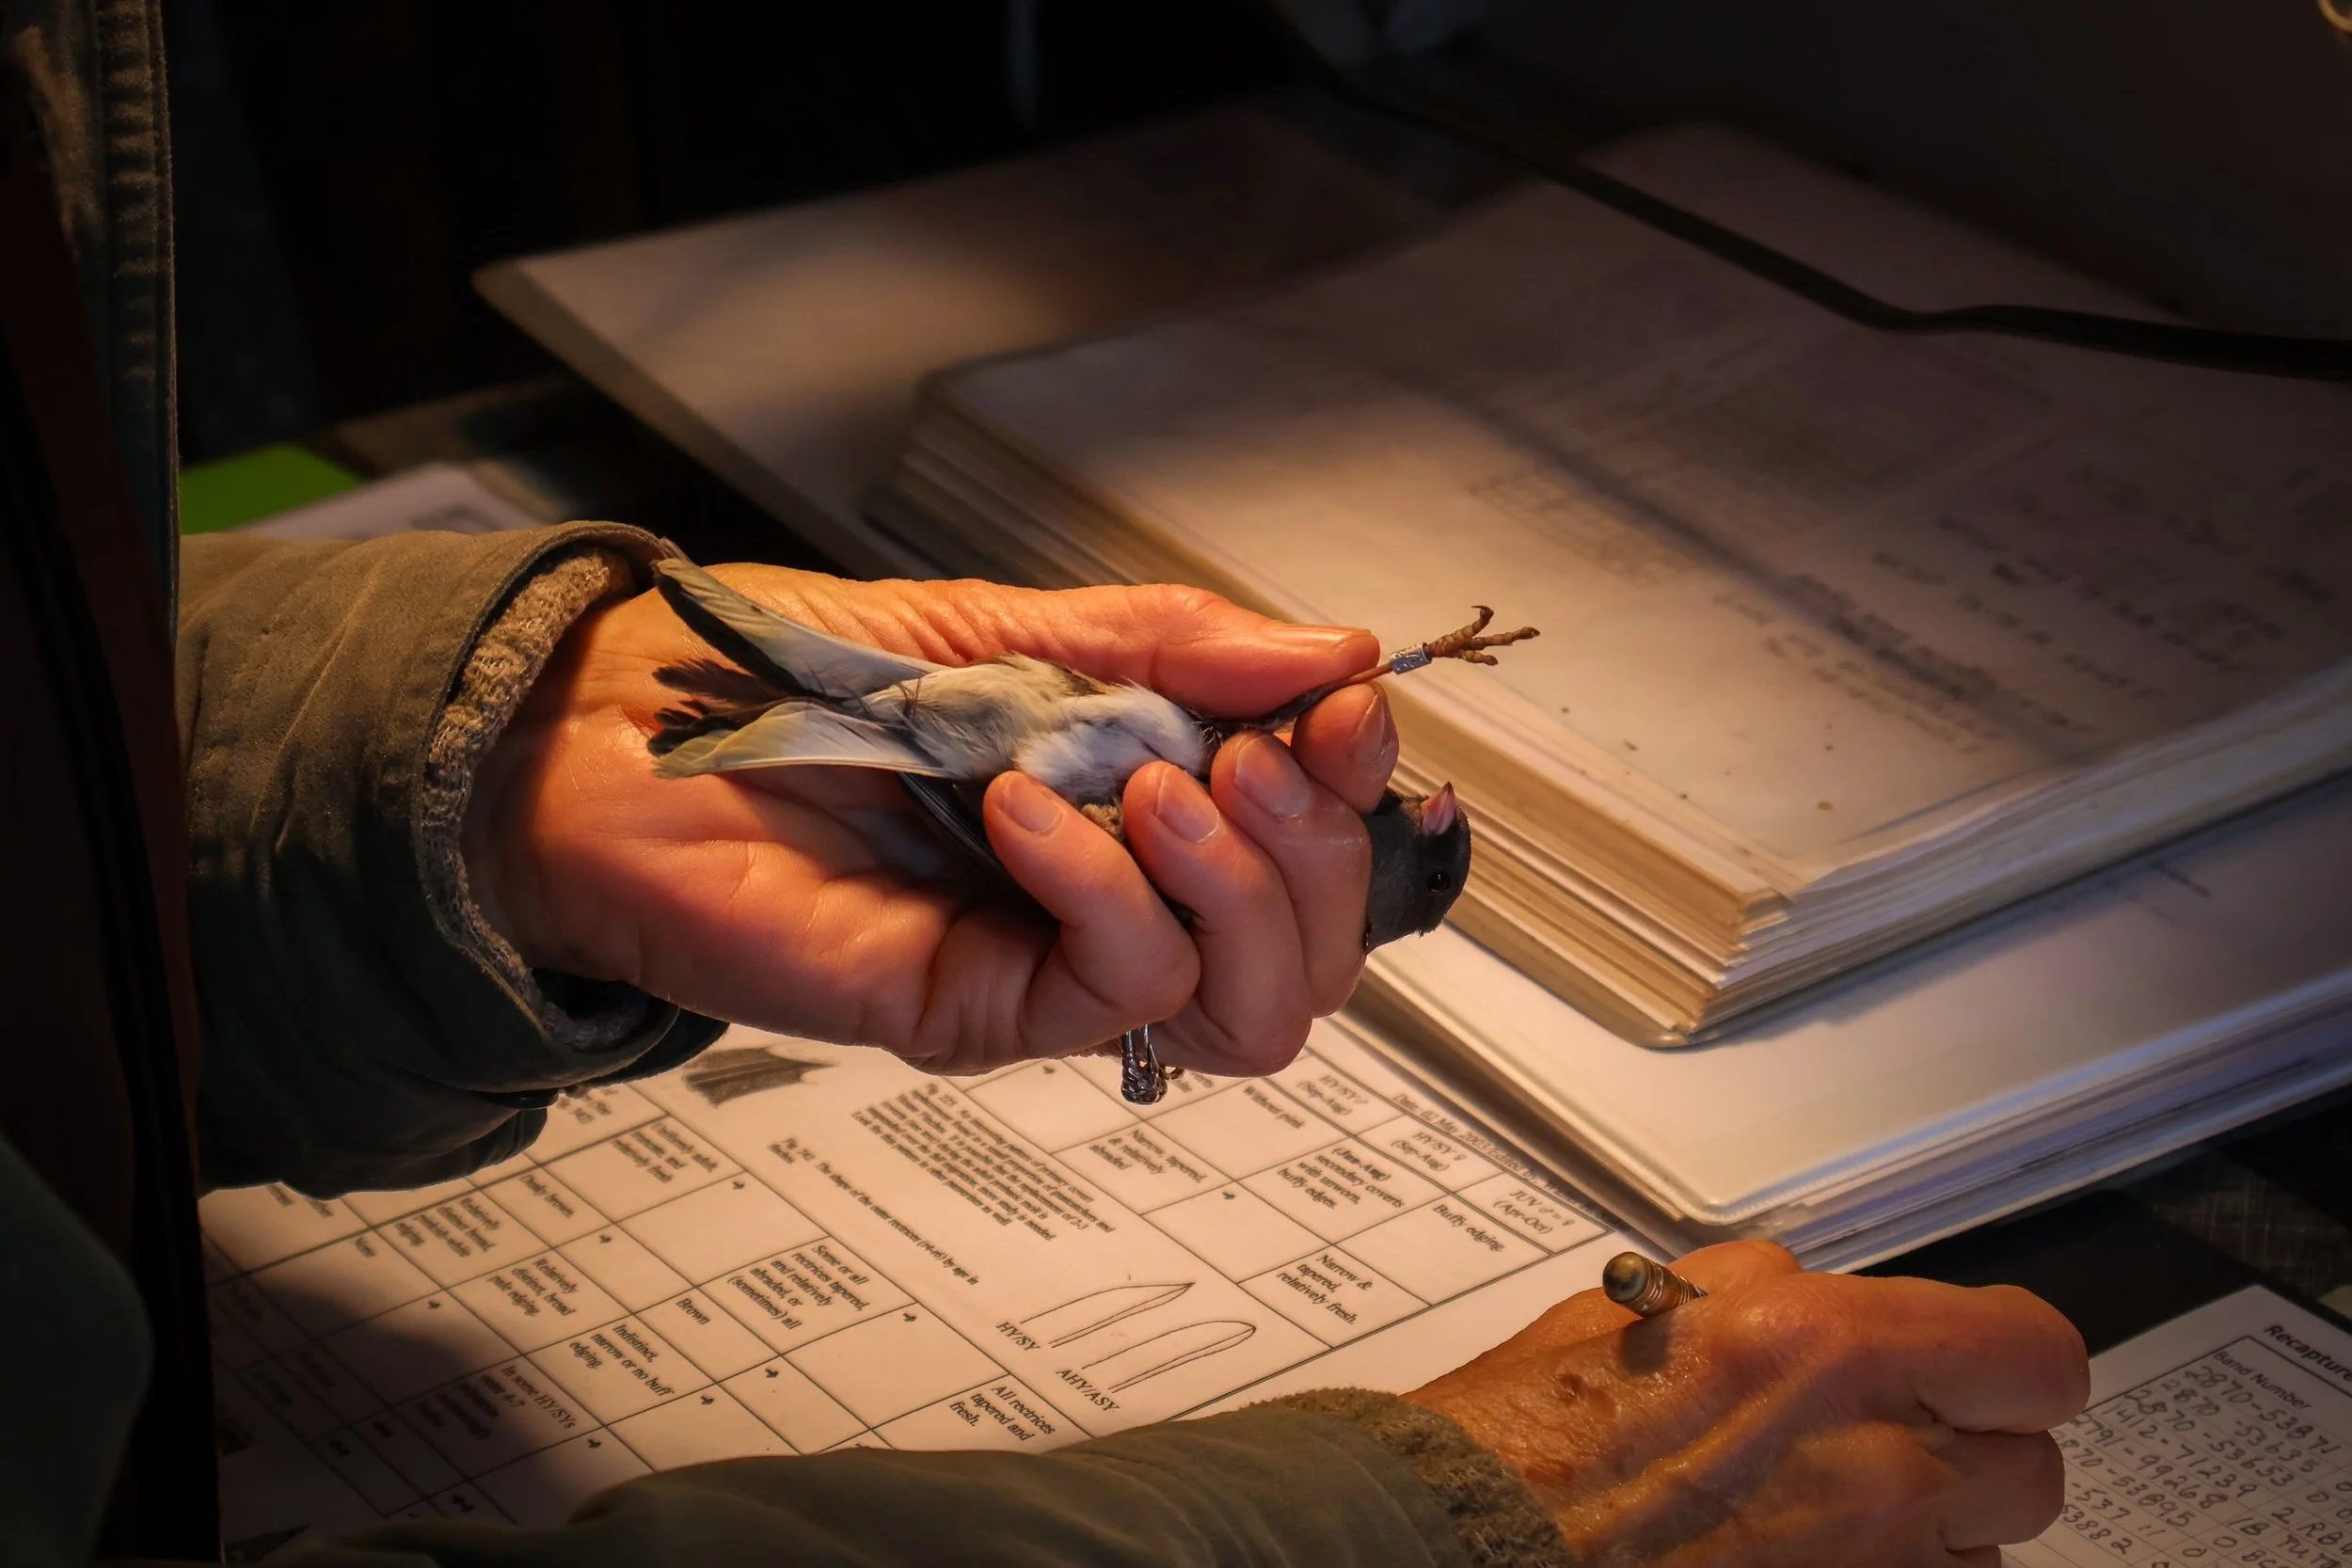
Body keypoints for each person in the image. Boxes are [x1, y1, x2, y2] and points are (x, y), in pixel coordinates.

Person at [0, 9, 2087, 1566]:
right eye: (1415, 825)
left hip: (940, 748)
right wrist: (1406, 1525)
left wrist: (449, 786)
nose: (1409, 809)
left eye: (1407, 832)